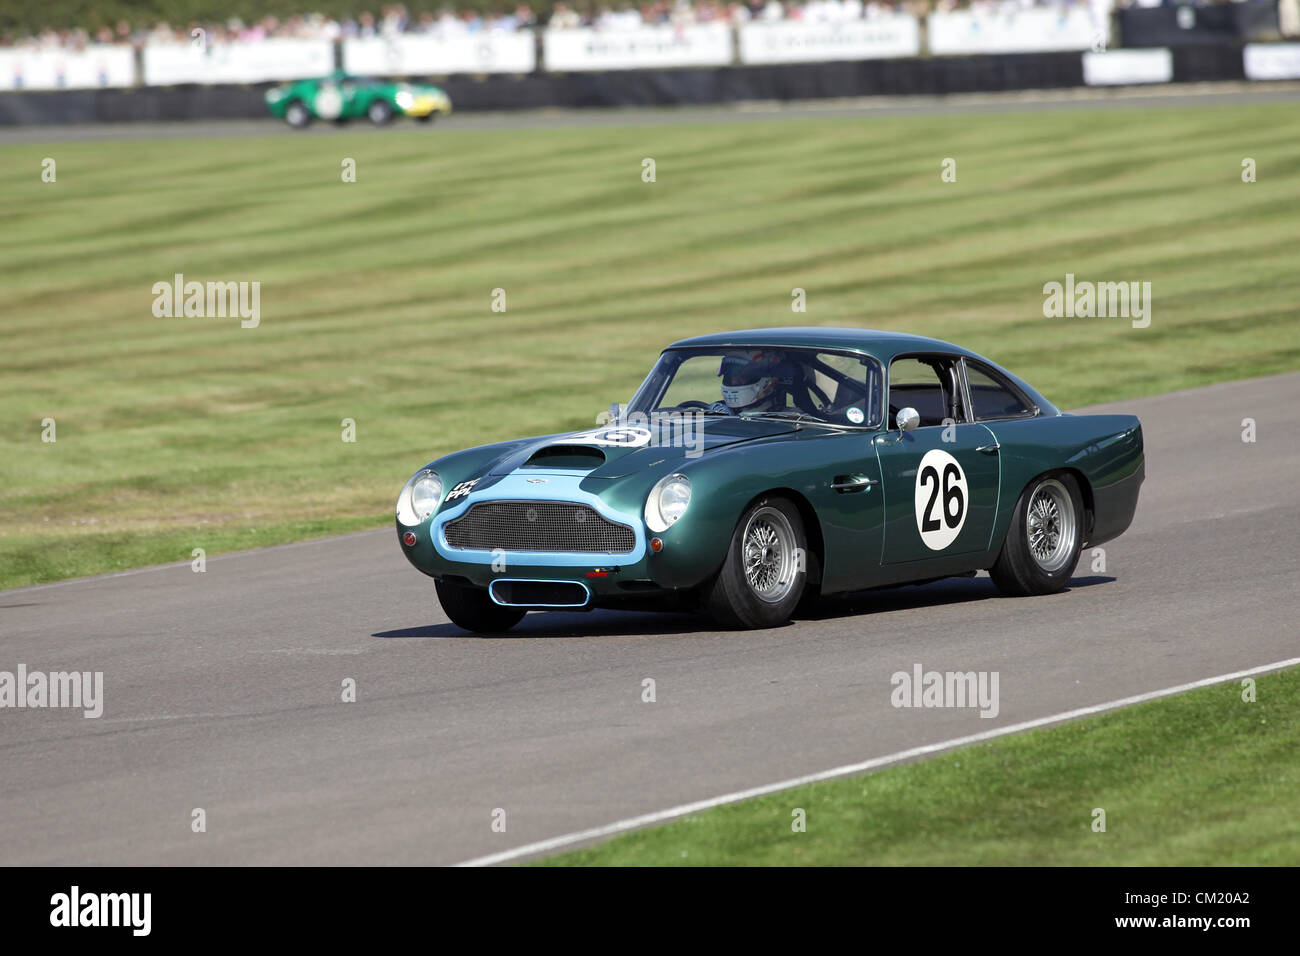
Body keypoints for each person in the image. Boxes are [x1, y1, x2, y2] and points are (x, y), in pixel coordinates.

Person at [715, 349, 787, 414]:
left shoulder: (790, 420)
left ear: (767, 380)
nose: (734, 381)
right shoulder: (716, 412)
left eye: (743, 376)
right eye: (729, 375)